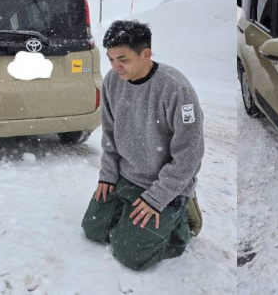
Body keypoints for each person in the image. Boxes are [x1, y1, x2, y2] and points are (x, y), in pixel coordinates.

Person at [81, 20, 205, 271]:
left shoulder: (177, 89)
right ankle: (132, 213)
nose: (116, 67)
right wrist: (108, 176)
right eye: (111, 59)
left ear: (145, 54)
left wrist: (156, 198)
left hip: (164, 184)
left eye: (123, 59)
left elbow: (189, 156)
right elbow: (110, 135)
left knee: (131, 254)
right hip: (127, 177)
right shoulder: (112, 83)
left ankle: (181, 219)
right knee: (93, 230)